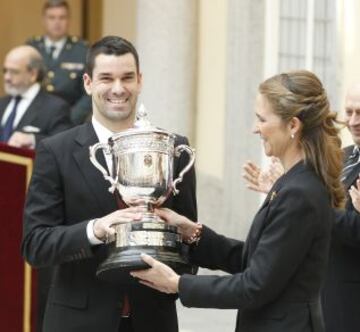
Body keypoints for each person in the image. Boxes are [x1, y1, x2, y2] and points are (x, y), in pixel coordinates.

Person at [131, 70, 345, 332]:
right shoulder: (294, 181)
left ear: (293, 125)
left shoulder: (300, 192)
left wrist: (178, 284)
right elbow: (256, 260)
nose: (255, 128)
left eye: (262, 119)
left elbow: (255, 285)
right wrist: (193, 232)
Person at [21, 35, 197, 332]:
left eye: (127, 77)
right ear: (88, 83)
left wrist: (178, 270)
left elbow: (189, 241)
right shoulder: (56, 151)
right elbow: (36, 246)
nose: (118, 88)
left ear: (140, 81)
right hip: (78, 322)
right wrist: (95, 230)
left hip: (153, 321)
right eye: (107, 78)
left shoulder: (172, 148)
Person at [241, 83, 360, 332]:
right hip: (319, 297)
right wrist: (281, 192)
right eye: (349, 112)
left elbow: (350, 228)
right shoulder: (342, 156)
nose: (353, 121)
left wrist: (301, 202)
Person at [27, 0, 91, 125]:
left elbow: (89, 92)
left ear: (68, 20)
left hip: (69, 120)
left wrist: (70, 119)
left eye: (62, 17)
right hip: (34, 120)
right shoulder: (31, 48)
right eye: (52, 17)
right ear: (44, 20)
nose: (57, 22)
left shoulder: (82, 50)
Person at [0, 45, 71, 148]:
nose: (7, 77)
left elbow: (64, 144)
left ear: (33, 74)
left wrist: (33, 139)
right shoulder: (2, 103)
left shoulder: (55, 108)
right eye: (5, 71)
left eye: (14, 72)